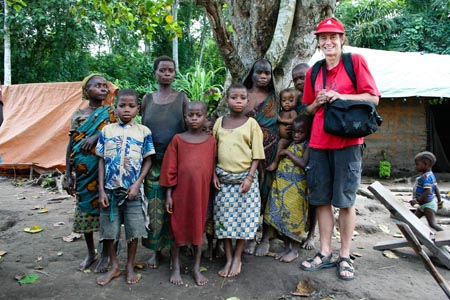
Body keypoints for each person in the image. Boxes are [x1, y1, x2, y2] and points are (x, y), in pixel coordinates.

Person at [299, 17, 380, 281]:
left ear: (342, 39)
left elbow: (373, 97)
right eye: (323, 37)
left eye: (333, 36)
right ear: (319, 42)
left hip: (348, 143)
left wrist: (340, 96)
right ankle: (324, 252)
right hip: (320, 142)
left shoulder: (355, 62)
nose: (328, 41)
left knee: (345, 201)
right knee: (321, 199)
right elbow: (307, 109)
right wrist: (319, 101)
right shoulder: (314, 71)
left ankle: (344, 255)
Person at [95, 89, 155, 286]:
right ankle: (114, 266)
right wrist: (102, 190)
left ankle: (130, 265)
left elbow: (148, 160)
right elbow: (102, 161)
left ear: (138, 108)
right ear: (115, 107)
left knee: (133, 230)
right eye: (122, 105)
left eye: (131, 106)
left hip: (133, 193)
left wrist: (138, 184)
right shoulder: (107, 131)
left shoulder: (144, 132)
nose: (126, 110)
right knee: (110, 232)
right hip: (110, 192)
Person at [63, 74, 116, 273]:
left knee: (106, 212)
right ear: (87, 91)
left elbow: (117, 132)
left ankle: (105, 254)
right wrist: (68, 174)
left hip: (106, 170)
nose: (103, 89)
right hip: (83, 171)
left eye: (105, 86)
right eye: (98, 86)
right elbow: (71, 145)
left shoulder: (111, 112)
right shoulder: (78, 115)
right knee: (84, 209)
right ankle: (90, 252)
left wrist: (96, 136)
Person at [161, 101, 216, 286]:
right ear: (184, 117)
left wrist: (214, 175)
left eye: (198, 115)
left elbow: (213, 163)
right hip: (180, 194)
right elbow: (170, 168)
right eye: (190, 115)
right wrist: (169, 194)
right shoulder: (178, 139)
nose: (194, 119)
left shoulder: (211, 141)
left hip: (201, 195)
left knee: (198, 230)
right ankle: (175, 265)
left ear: (205, 117)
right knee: (178, 228)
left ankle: (195, 268)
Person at [213, 83, 265, 277]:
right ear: (227, 99)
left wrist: (250, 177)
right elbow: (213, 152)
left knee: (244, 220)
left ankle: (237, 258)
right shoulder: (219, 122)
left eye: (242, 98)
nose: (238, 101)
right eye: (234, 97)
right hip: (224, 180)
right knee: (224, 221)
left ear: (247, 101)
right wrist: (213, 174)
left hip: (245, 181)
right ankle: (228, 257)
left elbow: (257, 155)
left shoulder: (252, 124)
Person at [141, 56, 188, 269]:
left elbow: (189, 129)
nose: (167, 74)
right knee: (154, 207)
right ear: (155, 73)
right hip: (152, 163)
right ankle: (156, 250)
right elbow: (142, 129)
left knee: (175, 207)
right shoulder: (147, 99)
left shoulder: (182, 98)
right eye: (163, 70)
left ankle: (176, 249)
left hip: (177, 162)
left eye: (171, 70)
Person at [242, 58, 279, 256]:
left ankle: (265, 237)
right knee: (249, 195)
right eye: (259, 72)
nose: (263, 76)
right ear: (252, 74)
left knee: (267, 194)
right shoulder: (242, 95)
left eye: (267, 73)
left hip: (270, 154)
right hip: (246, 154)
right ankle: (248, 236)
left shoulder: (276, 98)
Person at [264, 115, 312, 263]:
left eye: (300, 132)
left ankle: (295, 250)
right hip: (283, 187)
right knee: (282, 215)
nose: (296, 135)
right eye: (295, 132)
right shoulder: (289, 142)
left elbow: (303, 163)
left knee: (295, 217)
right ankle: (287, 247)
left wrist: (287, 153)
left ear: (307, 132)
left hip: (297, 190)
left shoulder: (307, 145)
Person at [292, 62, 317, 250]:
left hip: (318, 148)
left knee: (314, 194)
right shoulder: (298, 100)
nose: (299, 81)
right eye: (296, 79)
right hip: (300, 149)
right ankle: (295, 230)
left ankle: (312, 233)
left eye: (303, 77)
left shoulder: (320, 95)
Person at [202, 116, 224, 261]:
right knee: (208, 217)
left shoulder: (219, 143)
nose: (208, 132)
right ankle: (210, 245)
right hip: (206, 187)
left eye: (211, 129)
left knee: (222, 215)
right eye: (205, 129)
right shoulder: (199, 143)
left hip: (221, 185)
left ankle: (220, 245)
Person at [409, 151, 443, 231]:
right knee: (413, 220)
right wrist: (439, 201)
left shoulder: (427, 177)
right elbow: (436, 188)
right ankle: (417, 237)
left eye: (417, 164)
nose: (416, 167)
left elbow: (428, 191)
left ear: (426, 164)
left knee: (432, 224)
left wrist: (416, 200)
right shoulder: (430, 175)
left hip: (428, 205)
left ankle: (446, 237)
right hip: (423, 205)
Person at [266, 88, 298, 172]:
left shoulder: (292, 112)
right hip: (280, 136)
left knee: (281, 143)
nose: (287, 103)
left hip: (288, 138)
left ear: (295, 102)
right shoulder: (280, 112)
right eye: (284, 101)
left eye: (290, 101)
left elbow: (294, 120)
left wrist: (282, 120)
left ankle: (275, 163)